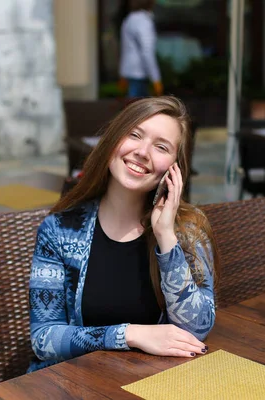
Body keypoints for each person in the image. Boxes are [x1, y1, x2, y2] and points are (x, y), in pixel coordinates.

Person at [28, 96, 219, 372]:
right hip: (75, 384)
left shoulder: (188, 230)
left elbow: (196, 329)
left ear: (174, 169)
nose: (142, 152)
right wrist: (130, 334)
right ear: (113, 140)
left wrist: (166, 236)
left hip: (153, 382)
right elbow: (44, 339)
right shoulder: (60, 230)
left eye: (161, 146)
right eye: (134, 135)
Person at [119, 0, 163, 98]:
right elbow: (147, 51)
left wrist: (123, 73)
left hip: (130, 71)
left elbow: (125, 49)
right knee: (137, 108)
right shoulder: (143, 21)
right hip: (140, 72)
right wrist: (156, 78)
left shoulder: (129, 19)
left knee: (134, 105)